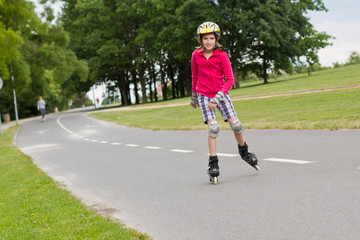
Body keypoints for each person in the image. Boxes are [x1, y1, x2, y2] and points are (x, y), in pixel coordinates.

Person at [190, 22, 259, 183]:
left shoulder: (221, 54)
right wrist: (194, 96)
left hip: (221, 93)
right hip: (204, 94)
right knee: (213, 128)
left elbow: (230, 80)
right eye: (205, 38)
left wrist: (218, 97)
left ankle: (244, 152)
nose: (208, 41)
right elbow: (195, 76)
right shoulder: (196, 55)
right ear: (200, 40)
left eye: (211, 38)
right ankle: (213, 163)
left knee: (237, 125)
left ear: (216, 39)